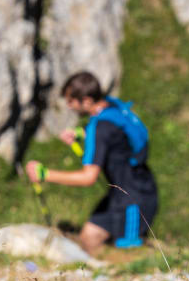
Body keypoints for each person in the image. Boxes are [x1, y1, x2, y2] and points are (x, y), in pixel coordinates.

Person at [26, 71, 157, 255]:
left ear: (86, 101)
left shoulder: (100, 128)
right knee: (88, 238)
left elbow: (89, 177)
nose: (68, 106)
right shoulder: (111, 106)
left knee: (127, 255)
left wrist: (45, 174)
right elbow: (115, 136)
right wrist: (82, 134)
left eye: (71, 101)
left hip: (134, 198)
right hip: (123, 189)